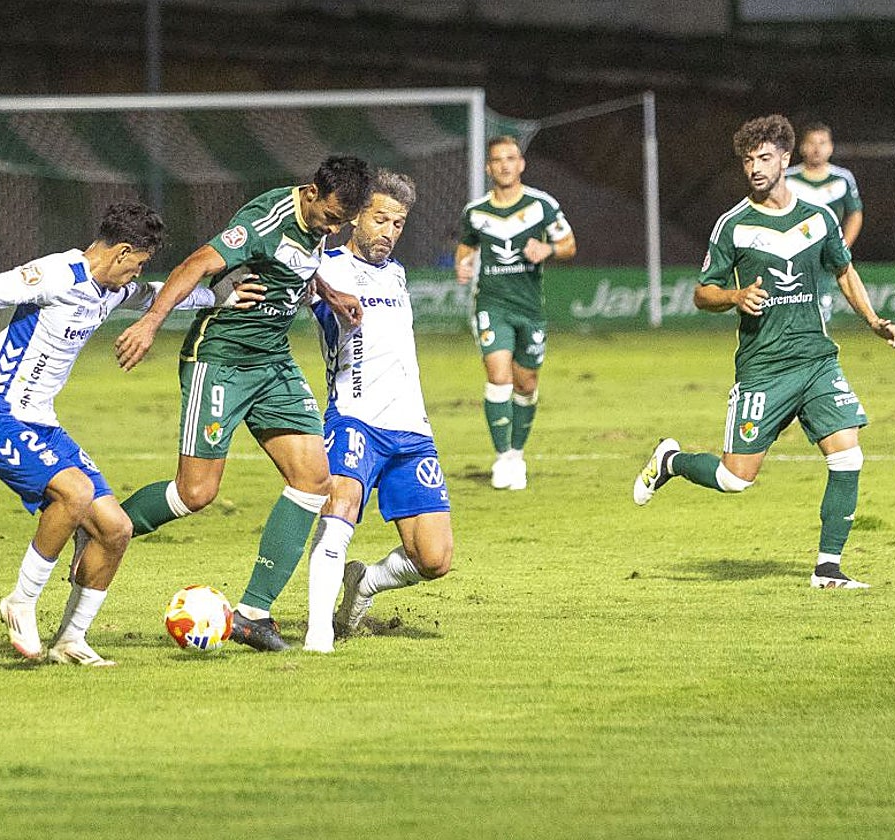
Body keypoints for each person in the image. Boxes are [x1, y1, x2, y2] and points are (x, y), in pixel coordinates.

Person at [0, 201, 263, 665]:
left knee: (116, 529)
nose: (137, 274)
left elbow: (154, 295)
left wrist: (217, 297)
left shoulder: (111, 289)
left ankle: (71, 640)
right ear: (122, 252)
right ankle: (20, 601)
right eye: (138, 264)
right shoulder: (57, 275)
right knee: (75, 493)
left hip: (43, 423)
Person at [113, 156, 373, 652]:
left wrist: (328, 292)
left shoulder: (317, 223)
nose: (334, 229)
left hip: (272, 361)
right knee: (195, 493)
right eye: (331, 217)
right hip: (222, 360)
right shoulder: (264, 220)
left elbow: (298, 264)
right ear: (311, 192)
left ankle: (253, 613)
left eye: (343, 222)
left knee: (313, 480)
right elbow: (196, 264)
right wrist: (149, 324)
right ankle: (103, 528)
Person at [633, 114, 895, 590]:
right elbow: (702, 293)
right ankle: (671, 461)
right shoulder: (733, 225)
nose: (755, 168)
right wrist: (734, 296)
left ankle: (828, 569)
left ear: (784, 158)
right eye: (747, 160)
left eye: (763, 158)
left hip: (816, 359)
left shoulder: (818, 218)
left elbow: (843, 270)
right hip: (764, 367)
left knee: (847, 457)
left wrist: (873, 320)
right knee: (736, 479)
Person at [302, 169, 453, 653]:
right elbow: (296, 281)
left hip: (412, 429)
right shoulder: (325, 268)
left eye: (399, 223)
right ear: (355, 218)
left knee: (435, 559)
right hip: (354, 418)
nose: (389, 231)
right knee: (340, 510)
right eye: (380, 219)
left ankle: (364, 583)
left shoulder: (398, 274)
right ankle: (319, 634)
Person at [455, 135, 576, 491]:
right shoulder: (476, 211)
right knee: (499, 376)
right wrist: (463, 265)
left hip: (530, 308)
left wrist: (548, 249)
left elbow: (569, 245)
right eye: (498, 160)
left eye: (511, 158)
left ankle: (517, 453)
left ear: (521, 164)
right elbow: (466, 246)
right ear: (488, 167)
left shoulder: (541, 205)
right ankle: (503, 458)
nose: (505, 165)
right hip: (492, 304)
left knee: (527, 384)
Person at [785, 122, 864, 322]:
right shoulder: (787, 178)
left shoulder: (842, 178)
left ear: (830, 147)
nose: (817, 148)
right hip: (792, 253)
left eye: (822, 143)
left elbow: (855, 214)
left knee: (821, 310)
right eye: (811, 143)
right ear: (802, 147)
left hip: (825, 253)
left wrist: (842, 247)